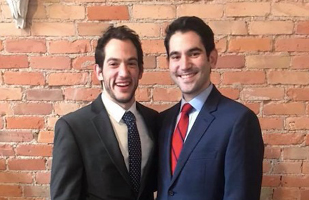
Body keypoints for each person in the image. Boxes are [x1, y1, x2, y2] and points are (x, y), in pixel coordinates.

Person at [157, 16, 264, 200]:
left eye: (194, 53)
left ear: (212, 58)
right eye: (176, 56)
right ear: (168, 63)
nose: (184, 65)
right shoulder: (162, 121)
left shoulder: (239, 121)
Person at [50, 25, 158, 200]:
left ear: (140, 71)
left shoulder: (154, 121)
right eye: (113, 64)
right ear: (99, 72)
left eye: (131, 63)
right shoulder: (73, 128)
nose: (123, 73)